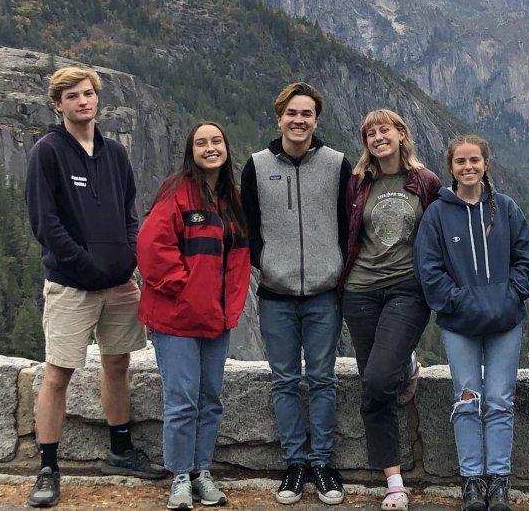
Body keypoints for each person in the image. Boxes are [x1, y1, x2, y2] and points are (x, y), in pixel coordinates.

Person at [25, 67, 166, 508]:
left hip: (120, 284)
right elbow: (45, 223)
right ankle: (47, 466)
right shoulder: (47, 152)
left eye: (88, 94)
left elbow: (129, 212)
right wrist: (84, 265)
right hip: (71, 285)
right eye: (72, 96)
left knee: (118, 365)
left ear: (97, 99)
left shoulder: (116, 154)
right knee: (58, 373)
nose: (83, 101)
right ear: (58, 104)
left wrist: (127, 256)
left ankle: (120, 451)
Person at [240, 82, 351, 506]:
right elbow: (249, 221)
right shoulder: (257, 165)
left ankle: (322, 462)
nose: (299, 120)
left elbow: (347, 222)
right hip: (275, 293)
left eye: (306, 114)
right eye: (292, 113)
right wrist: (265, 262)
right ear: (279, 117)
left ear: (316, 120)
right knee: (284, 380)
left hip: (324, 292)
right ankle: (295, 464)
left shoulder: (337, 164)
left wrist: (335, 264)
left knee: (322, 379)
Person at [415, 135, 529, 511]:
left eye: (475, 161)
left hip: (504, 321)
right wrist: (459, 301)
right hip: (459, 324)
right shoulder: (437, 214)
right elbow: (428, 268)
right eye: (460, 162)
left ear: (486, 164)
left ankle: (498, 480)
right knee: (467, 399)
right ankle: (471, 480)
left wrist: (512, 294)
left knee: (500, 400)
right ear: (450, 168)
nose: (468, 167)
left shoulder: (505, 207)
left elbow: (526, 257)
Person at [137, 121, 252, 510]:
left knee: (210, 398)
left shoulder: (231, 199)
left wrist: (225, 306)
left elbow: (236, 260)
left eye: (216, 141)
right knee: (182, 400)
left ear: (226, 148)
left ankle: (202, 470)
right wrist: (184, 289)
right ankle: (180, 475)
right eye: (201, 143)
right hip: (177, 319)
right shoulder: (177, 192)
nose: (210, 148)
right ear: (192, 151)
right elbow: (153, 248)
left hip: (215, 319)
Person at [341, 109, 441, 511]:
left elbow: (441, 233)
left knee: (382, 376)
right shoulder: (358, 183)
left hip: (407, 290)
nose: (378, 136)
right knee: (372, 384)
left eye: (385, 130)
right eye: (370, 132)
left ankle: (404, 366)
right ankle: (393, 480)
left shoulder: (425, 182)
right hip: (360, 290)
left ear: (402, 134)